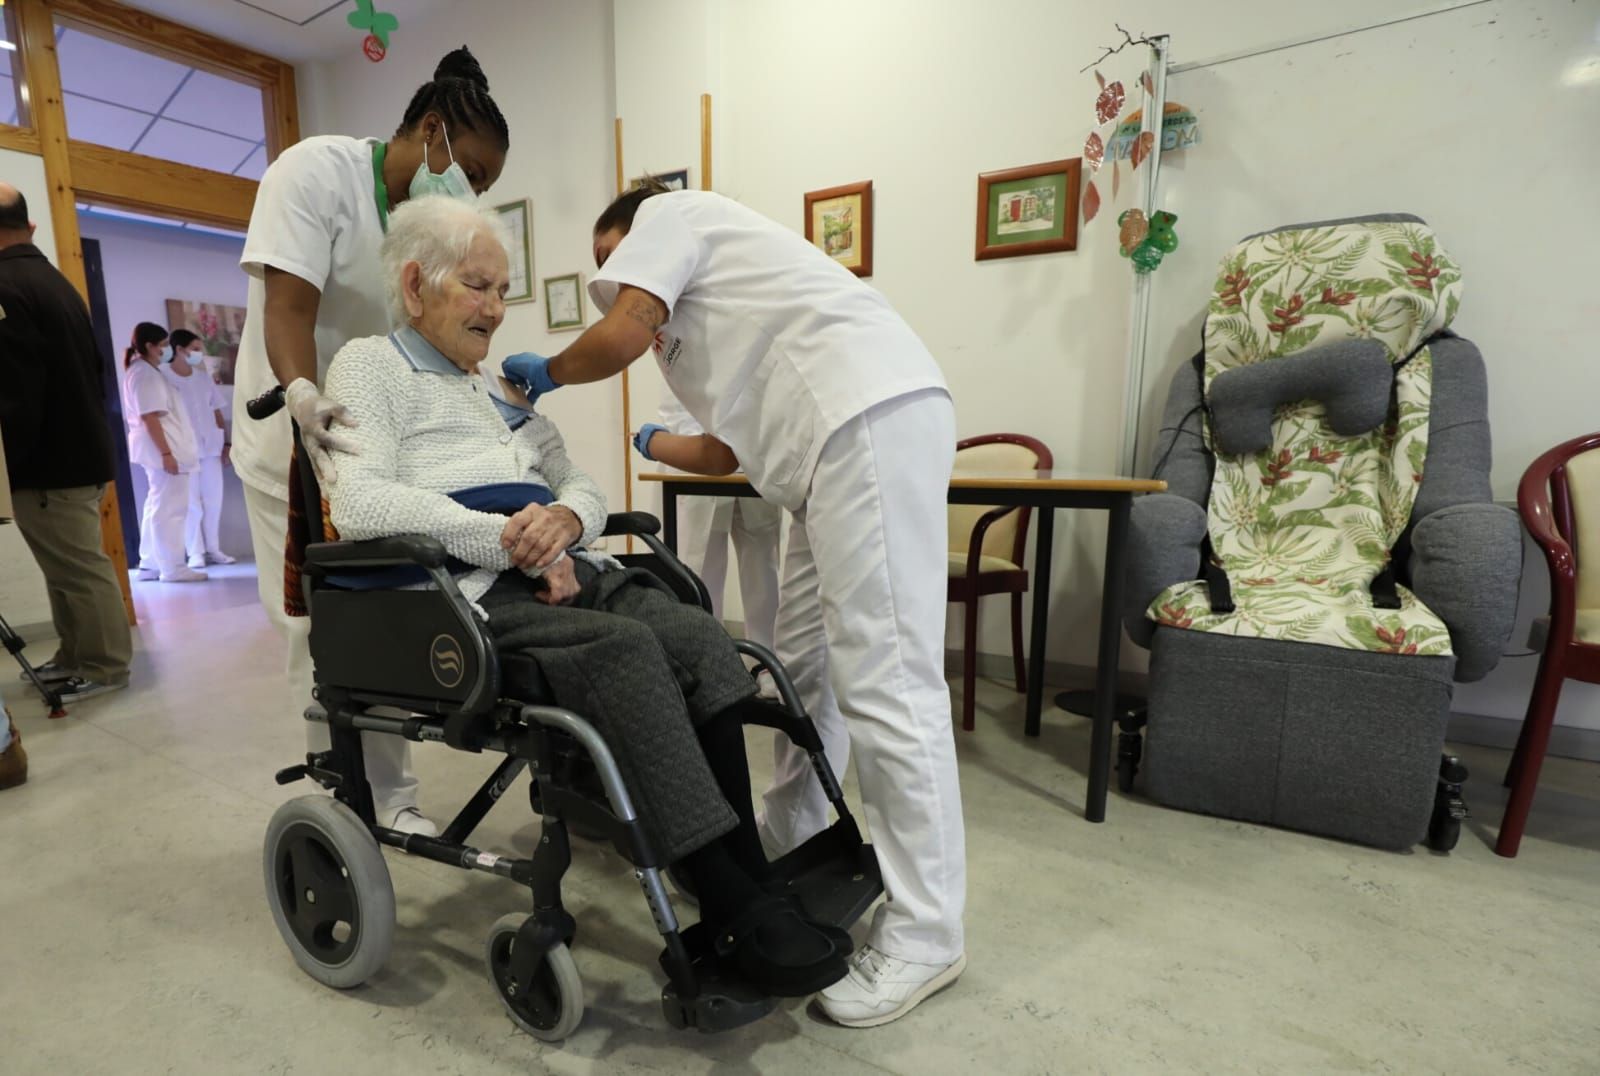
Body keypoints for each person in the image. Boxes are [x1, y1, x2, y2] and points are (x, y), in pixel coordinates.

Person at [324, 195, 849, 995]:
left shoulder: (499, 392)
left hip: (568, 570)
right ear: (414, 284)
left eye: (503, 291)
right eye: (478, 287)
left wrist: (566, 520)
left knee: (699, 636)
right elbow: (358, 502)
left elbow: (578, 480)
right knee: (628, 654)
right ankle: (735, 900)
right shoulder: (371, 365)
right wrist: (505, 537)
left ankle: (740, 872)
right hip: (466, 595)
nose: (497, 311)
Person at [502, 186, 966, 1027]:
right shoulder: (681, 340)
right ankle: (790, 825)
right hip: (823, 453)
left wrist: (549, 372)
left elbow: (619, 331)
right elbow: (720, 449)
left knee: (887, 680)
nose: (614, 279)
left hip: (863, 415)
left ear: (641, 226)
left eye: (617, 261)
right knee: (802, 654)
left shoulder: (674, 218)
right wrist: (650, 443)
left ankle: (929, 931)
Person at [232, 46, 510, 836]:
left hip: (369, 444)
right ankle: (351, 796)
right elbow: (289, 307)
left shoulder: (428, 227)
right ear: (432, 133)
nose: (475, 193)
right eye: (476, 175)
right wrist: (303, 394)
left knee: (385, 614)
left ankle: (394, 796)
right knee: (316, 627)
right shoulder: (313, 172)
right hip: (292, 433)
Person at [0, 182, 134, 703]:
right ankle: (75, 654)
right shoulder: (55, 282)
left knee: (78, 570)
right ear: (30, 225)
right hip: (79, 450)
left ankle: (103, 667)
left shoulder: (6, 287)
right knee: (65, 569)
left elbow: (16, 389)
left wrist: (16, 463)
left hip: (49, 461)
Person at [634, 393, 783, 654]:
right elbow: (677, 409)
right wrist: (709, 452)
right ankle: (711, 660)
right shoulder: (686, 352)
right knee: (703, 570)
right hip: (700, 470)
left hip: (755, 469)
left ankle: (767, 665)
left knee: (763, 573)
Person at [123, 322, 205, 584]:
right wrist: (167, 453)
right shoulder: (144, 374)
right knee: (171, 509)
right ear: (149, 346)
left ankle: (150, 564)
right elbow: (150, 417)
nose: (166, 350)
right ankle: (173, 567)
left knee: (157, 506)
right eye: (163, 345)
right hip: (165, 452)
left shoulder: (144, 371)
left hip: (160, 452)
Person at [163, 328, 235, 570]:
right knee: (191, 504)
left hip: (210, 448)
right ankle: (196, 552)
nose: (199, 354)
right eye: (195, 349)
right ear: (179, 350)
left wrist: (225, 443)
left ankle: (214, 549)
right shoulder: (164, 377)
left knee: (213, 499)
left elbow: (216, 410)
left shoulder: (203, 378)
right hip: (184, 450)